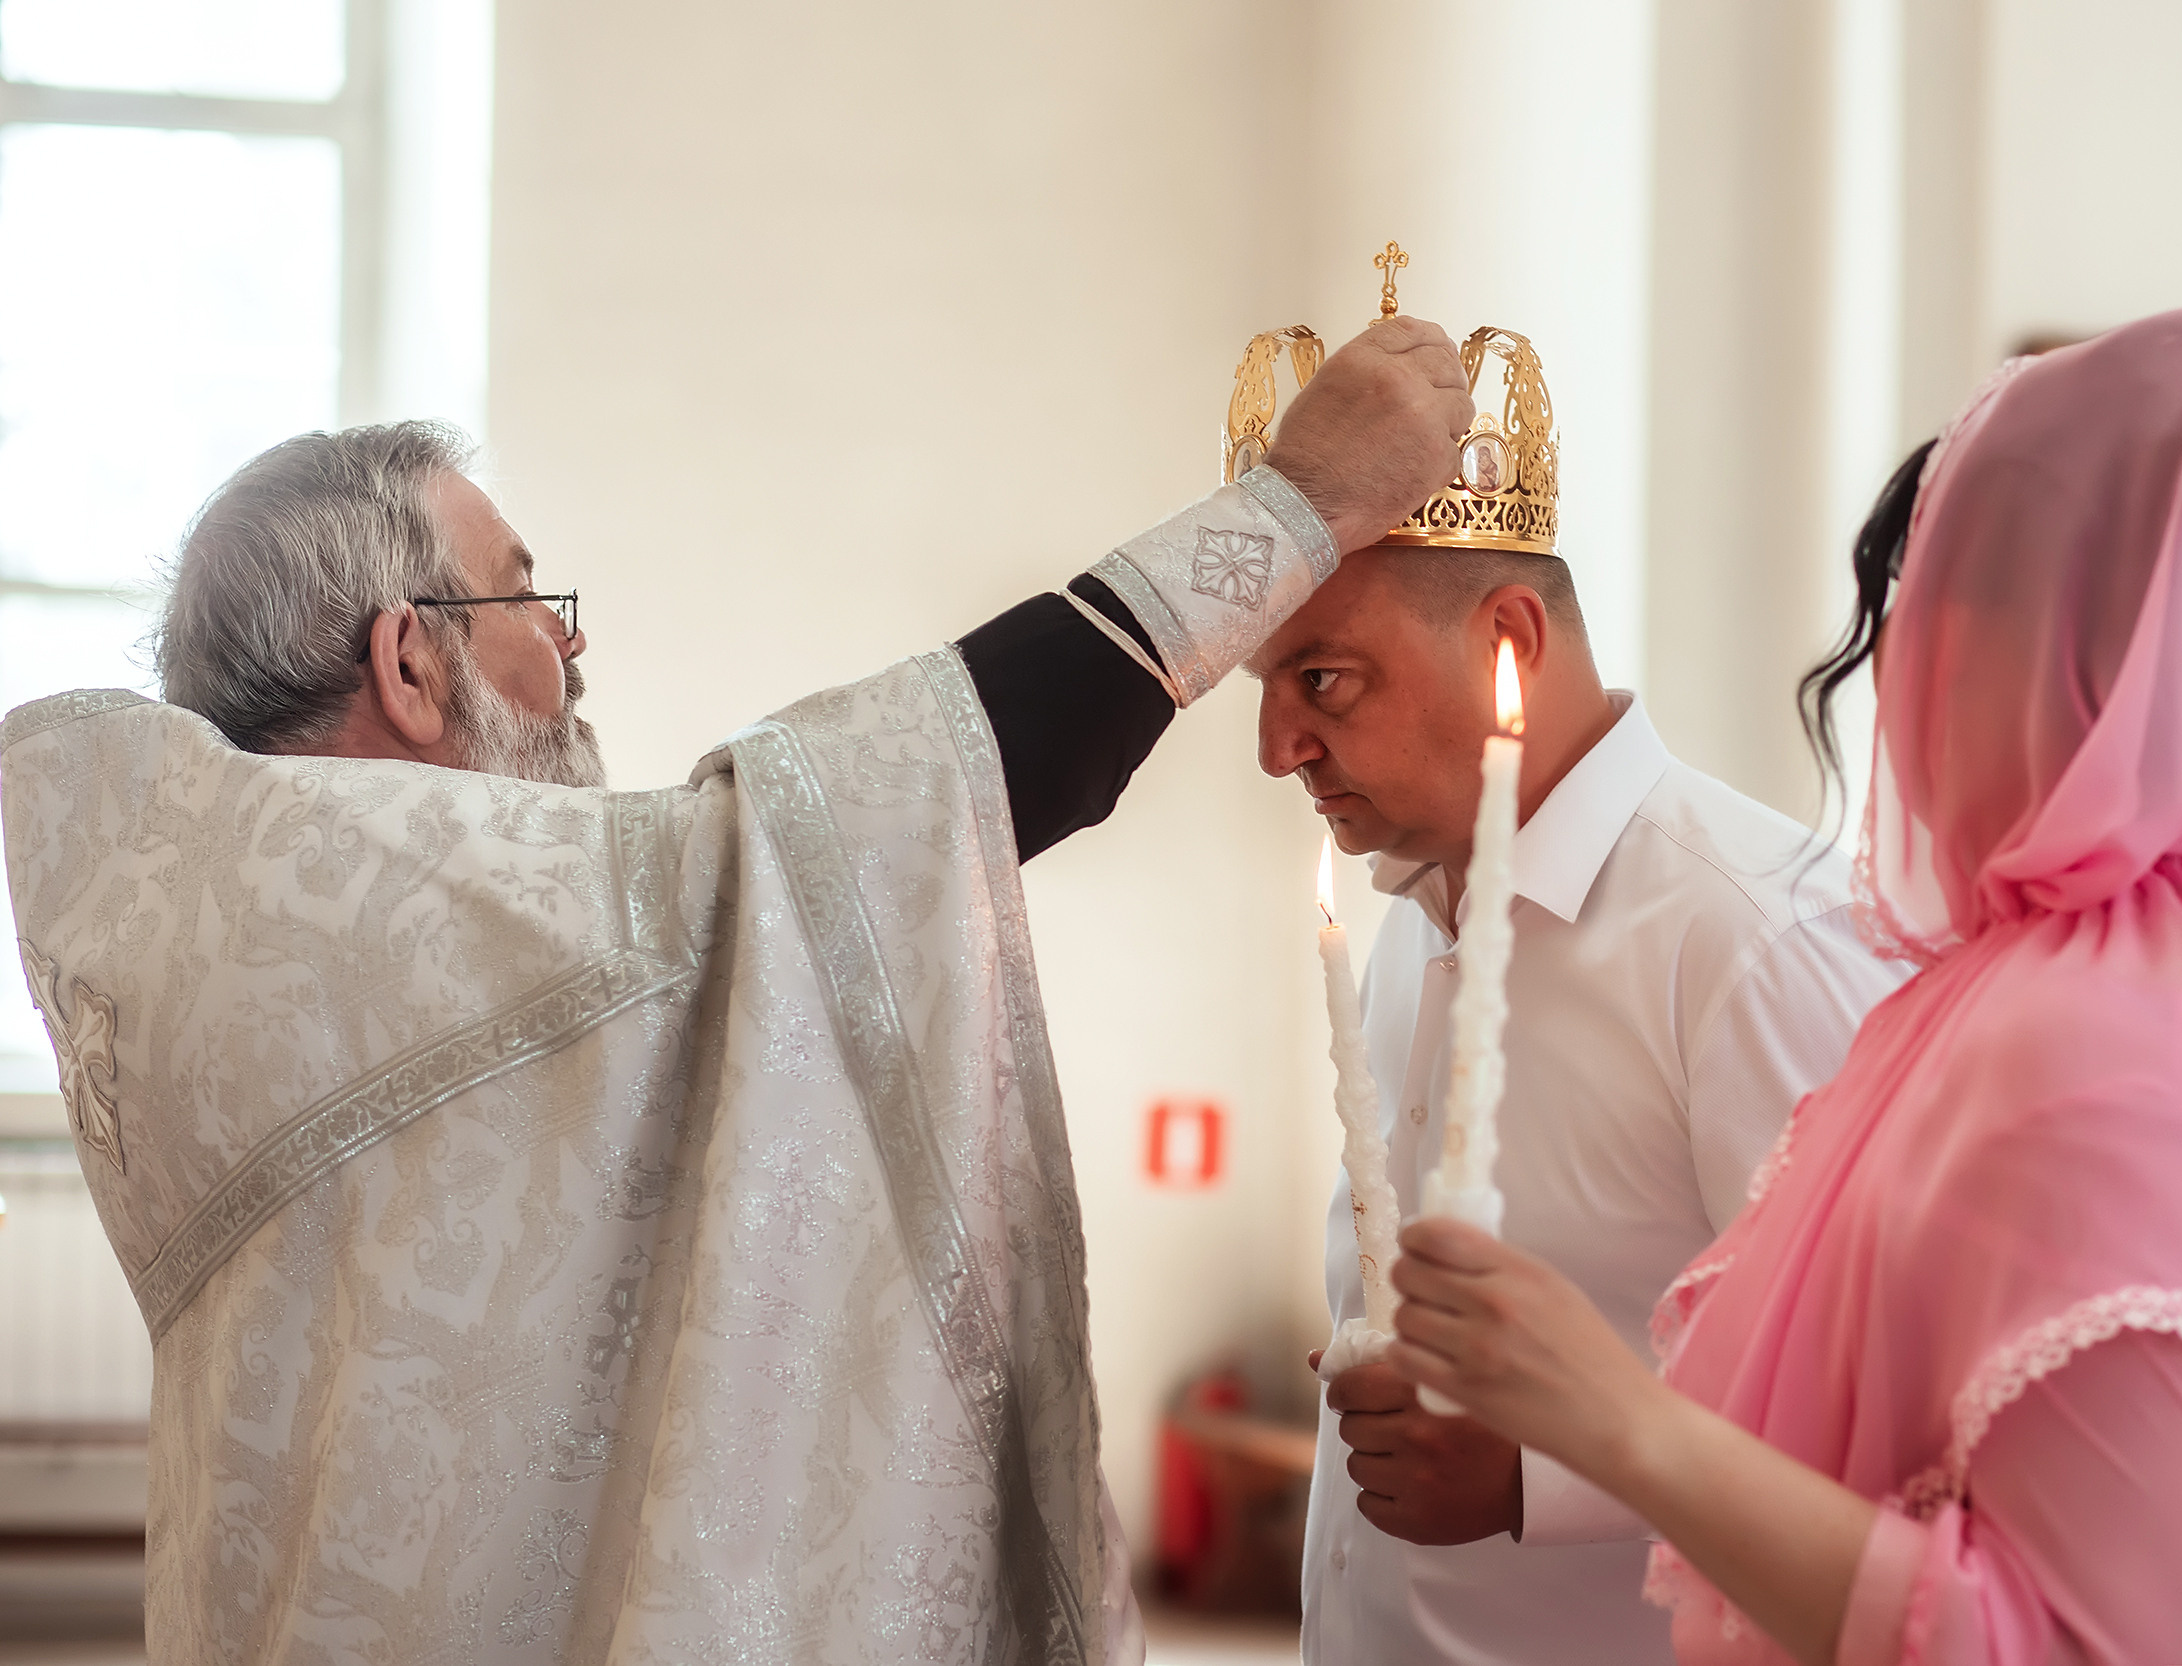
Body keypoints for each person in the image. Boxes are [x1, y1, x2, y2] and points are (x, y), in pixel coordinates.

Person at [0, 317, 1475, 1665]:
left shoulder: (222, 934)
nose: (570, 647)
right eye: (527, 596)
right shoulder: (384, 909)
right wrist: (1294, 506)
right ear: (409, 661)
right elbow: (891, 813)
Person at [1381, 309, 2182, 1664]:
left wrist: (1619, 1418)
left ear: (2054, 642)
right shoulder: (2129, 977)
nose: (1889, 672)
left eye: (1919, 601)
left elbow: (2090, 1642)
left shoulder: (2114, 1042)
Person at [1247, 517, 1904, 1660]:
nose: (1275, 744)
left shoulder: (1751, 935)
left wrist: (1531, 1475)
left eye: (1322, 679)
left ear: (1507, 636)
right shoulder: (1411, 912)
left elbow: (1887, 1408)